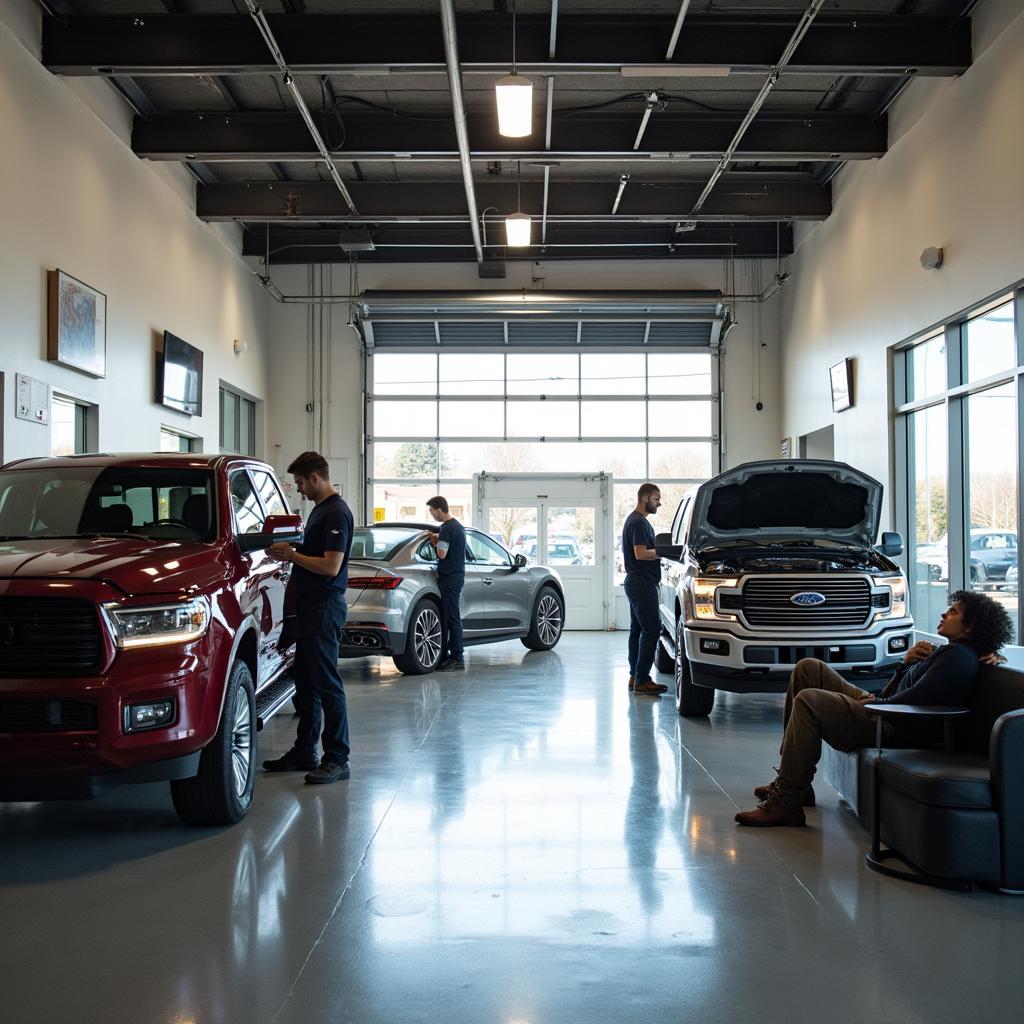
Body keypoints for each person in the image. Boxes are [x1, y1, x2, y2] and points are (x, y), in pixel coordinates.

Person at [735, 590, 1014, 827]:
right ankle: (795, 780)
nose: (943, 615)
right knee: (809, 669)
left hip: (894, 725)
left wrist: (876, 705)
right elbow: (903, 691)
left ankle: (787, 800)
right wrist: (904, 664)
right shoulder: (951, 652)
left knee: (810, 699)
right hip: (889, 707)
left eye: (952, 612)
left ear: (971, 626)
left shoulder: (957, 657)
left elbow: (919, 698)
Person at [263, 451, 354, 784]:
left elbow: (331, 565)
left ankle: (337, 758)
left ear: (315, 477)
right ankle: (305, 750)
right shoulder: (320, 511)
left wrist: (292, 554)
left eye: (300, 482)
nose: (299, 489)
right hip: (308, 607)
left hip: (325, 606)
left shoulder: (336, 513)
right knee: (306, 680)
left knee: (327, 683)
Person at [622, 482, 668, 696]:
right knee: (652, 630)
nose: (659, 503)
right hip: (642, 583)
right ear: (644, 498)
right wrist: (663, 552)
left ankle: (634, 675)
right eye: (656, 499)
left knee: (637, 630)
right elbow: (641, 553)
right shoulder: (639, 523)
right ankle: (642, 679)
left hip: (635, 582)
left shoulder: (635, 521)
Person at [427, 495, 466, 671]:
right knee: (451, 616)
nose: (431, 514)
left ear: (439, 509)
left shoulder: (447, 529)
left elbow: (442, 554)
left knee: (451, 617)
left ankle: (457, 658)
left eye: (431, 511)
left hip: (450, 577)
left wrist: (434, 541)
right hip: (455, 576)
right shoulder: (457, 526)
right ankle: (450, 655)